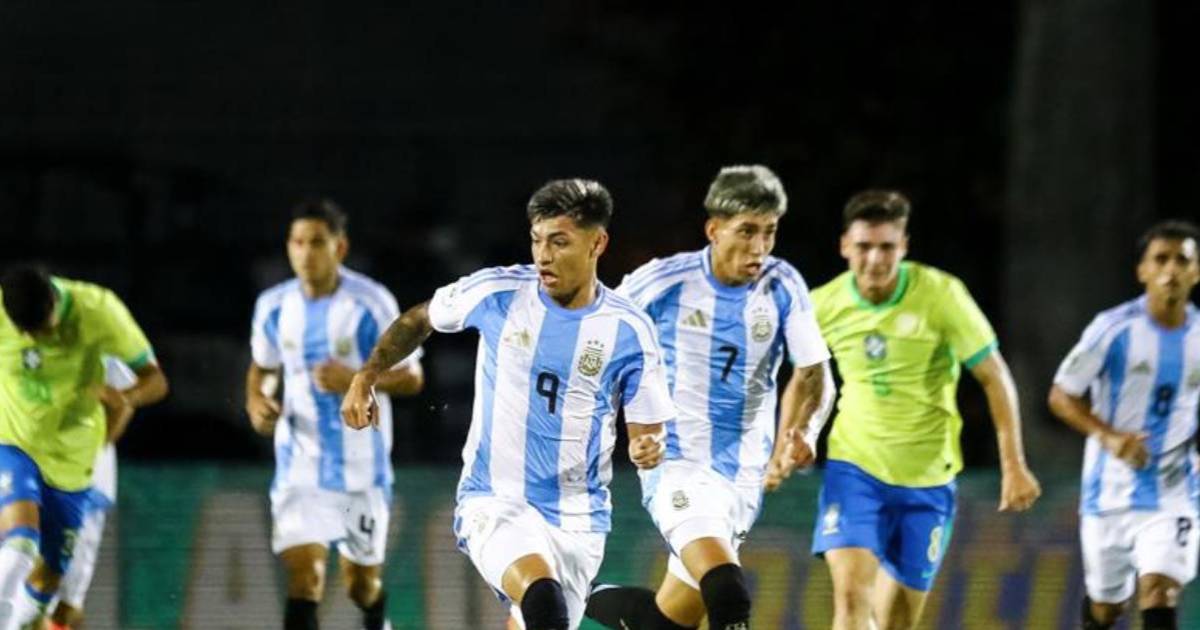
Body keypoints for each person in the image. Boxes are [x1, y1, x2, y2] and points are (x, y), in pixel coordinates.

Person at [341, 179, 674, 630]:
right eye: (537, 240)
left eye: (559, 242)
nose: (543, 256)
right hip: (495, 500)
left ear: (598, 243)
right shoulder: (499, 292)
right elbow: (420, 319)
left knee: (540, 615)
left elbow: (647, 431)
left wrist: (647, 446)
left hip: (580, 519)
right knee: (543, 600)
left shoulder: (629, 330)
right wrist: (367, 374)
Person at [584, 165, 833, 630]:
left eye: (769, 232)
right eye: (747, 231)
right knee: (728, 594)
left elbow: (815, 371)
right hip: (677, 464)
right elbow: (591, 343)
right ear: (714, 230)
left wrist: (805, 431)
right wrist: (629, 425)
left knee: (666, 623)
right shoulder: (664, 281)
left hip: (743, 476)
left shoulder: (782, 284)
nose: (759, 247)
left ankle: (572, 597)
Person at [809, 190, 1041, 630]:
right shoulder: (823, 304)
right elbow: (804, 379)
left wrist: (1013, 464)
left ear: (904, 246)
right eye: (864, 246)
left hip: (928, 479)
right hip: (854, 468)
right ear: (844, 246)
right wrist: (793, 438)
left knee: (895, 623)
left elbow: (994, 376)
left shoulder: (942, 294)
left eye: (886, 247)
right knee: (851, 598)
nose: (874, 259)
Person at [245, 199, 424, 630]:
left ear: (339, 247)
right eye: (298, 242)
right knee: (304, 579)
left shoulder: (370, 303)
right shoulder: (274, 305)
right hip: (298, 467)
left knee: (360, 587)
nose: (305, 253)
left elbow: (413, 378)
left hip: (361, 471)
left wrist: (356, 378)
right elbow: (264, 368)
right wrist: (257, 401)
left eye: (316, 243)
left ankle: (377, 616)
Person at [1049, 220, 1200, 630]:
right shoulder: (1113, 329)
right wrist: (1109, 437)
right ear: (1142, 271)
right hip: (1109, 493)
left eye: (1182, 260)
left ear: (1196, 272)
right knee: (1107, 607)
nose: (1171, 269)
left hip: (1175, 494)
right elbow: (1061, 395)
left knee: (1160, 591)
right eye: (1161, 259)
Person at [0, 265, 168, 630]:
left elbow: (143, 388)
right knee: (19, 547)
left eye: (41, 329)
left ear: (54, 304)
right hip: (16, 450)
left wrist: (121, 406)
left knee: (60, 600)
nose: (33, 339)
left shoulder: (100, 322)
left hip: (79, 472)